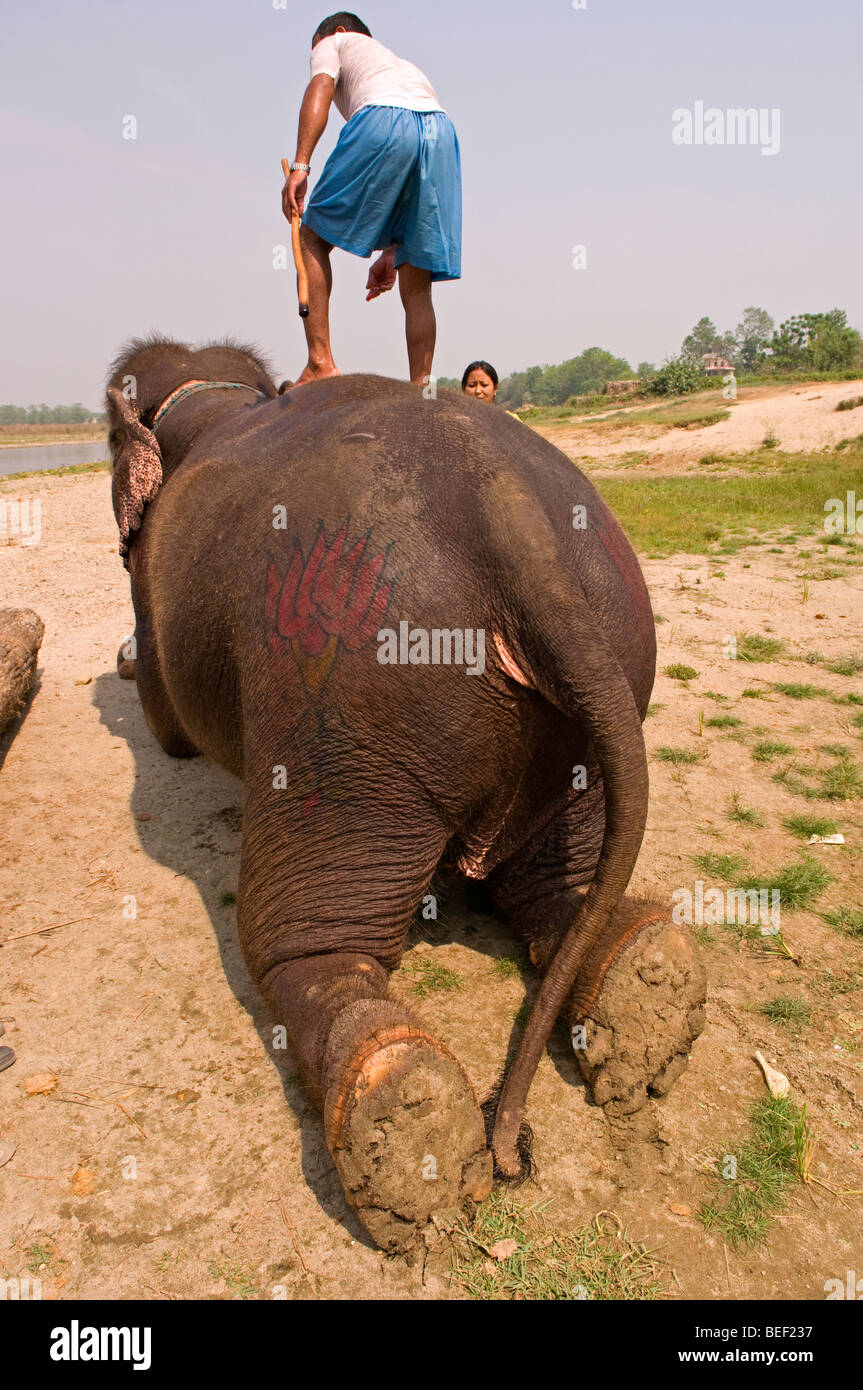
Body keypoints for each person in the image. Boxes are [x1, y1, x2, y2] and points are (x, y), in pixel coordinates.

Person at [283, 13, 462, 387]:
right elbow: (406, 154)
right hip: (440, 130)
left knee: (312, 237)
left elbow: (321, 85)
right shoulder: (400, 65)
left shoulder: (335, 43)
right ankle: (421, 385)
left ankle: (320, 362)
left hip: (383, 117)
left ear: (340, 32)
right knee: (416, 273)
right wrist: (391, 252)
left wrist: (301, 165)